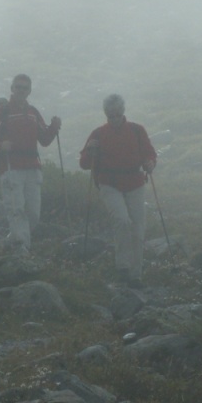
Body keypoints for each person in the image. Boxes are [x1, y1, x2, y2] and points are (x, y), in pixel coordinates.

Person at [79, 93, 157, 288]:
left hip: (135, 183)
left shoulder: (137, 130)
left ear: (123, 111)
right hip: (109, 184)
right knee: (122, 221)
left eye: (117, 114)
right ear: (106, 113)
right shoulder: (98, 134)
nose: (114, 118)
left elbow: (149, 154)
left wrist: (150, 163)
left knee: (138, 228)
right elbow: (84, 164)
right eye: (110, 115)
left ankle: (135, 275)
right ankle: (123, 267)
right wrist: (89, 150)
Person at [0, 74, 61, 253]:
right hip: (10, 167)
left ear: (29, 91)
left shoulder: (33, 112)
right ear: (12, 89)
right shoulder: (3, 112)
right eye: (18, 87)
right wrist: (0, 145)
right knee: (16, 209)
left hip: (32, 168)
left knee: (33, 213)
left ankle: (13, 241)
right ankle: (22, 250)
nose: (20, 90)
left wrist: (54, 127)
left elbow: (44, 139)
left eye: (24, 88)